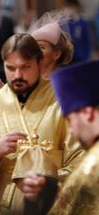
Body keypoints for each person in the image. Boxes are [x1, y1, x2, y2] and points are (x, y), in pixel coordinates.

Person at [0, 34, 83, 214]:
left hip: (51, 203)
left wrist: (49, 183)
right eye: (10, 68)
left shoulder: (65, 101)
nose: (17, 75)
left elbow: (83, 158)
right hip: (0, 202)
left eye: (25, 67)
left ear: (39, 63)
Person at [21, 60, 99, 215]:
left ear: (87, 113)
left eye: (69, 120)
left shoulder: (92, 167)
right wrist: (47, 188)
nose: (71, 130)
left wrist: (42, 198)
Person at [0, 12, 74, 91]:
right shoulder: (30, 78)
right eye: (34, 47)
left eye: (41, 48)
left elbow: (25, 108)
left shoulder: (61, 83)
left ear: (56, 54)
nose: (35, 52)